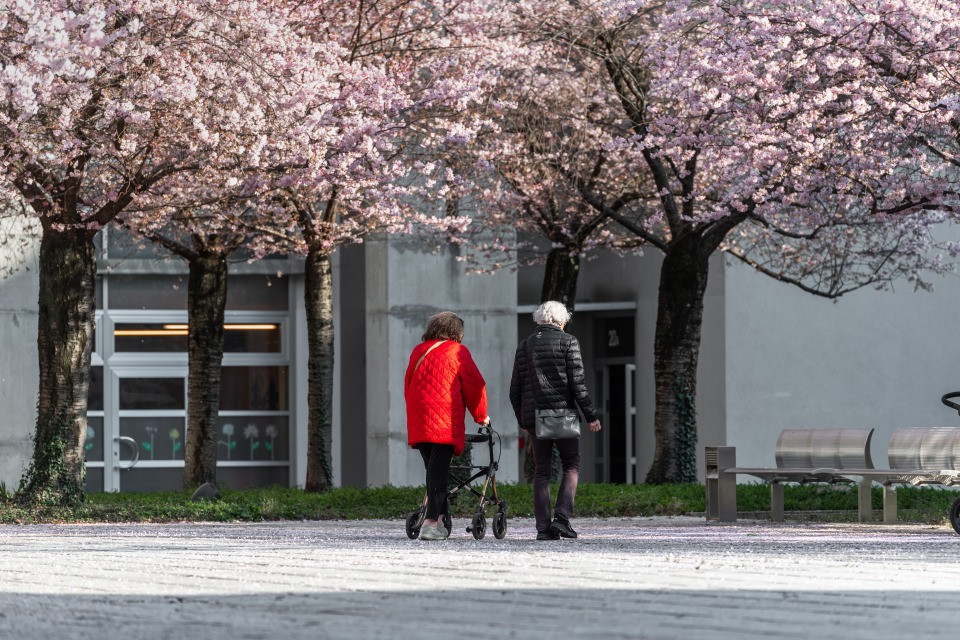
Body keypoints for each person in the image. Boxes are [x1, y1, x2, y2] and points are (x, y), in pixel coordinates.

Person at [510, 301, 601, 540]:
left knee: (542, 471)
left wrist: (523, 419)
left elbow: (515, 390)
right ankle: (561, 518)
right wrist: (591, 416)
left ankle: (543, 529)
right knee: (571, 464)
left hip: (535, 419)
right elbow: (577, 385)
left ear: (539, 320)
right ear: (562, 321)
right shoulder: (568, 342)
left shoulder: (525, 345)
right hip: (563, 415)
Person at [405, 311, 490, 541]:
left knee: (433, 470)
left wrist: (414, 414)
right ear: (456, 332)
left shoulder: (419, 351)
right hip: (444, 418)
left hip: (419, 416)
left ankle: (441, 519)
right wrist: (481, 416)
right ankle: (431, 523)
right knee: (439, 471)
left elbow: (408, 384)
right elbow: (474, 385)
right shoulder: (457, 351)